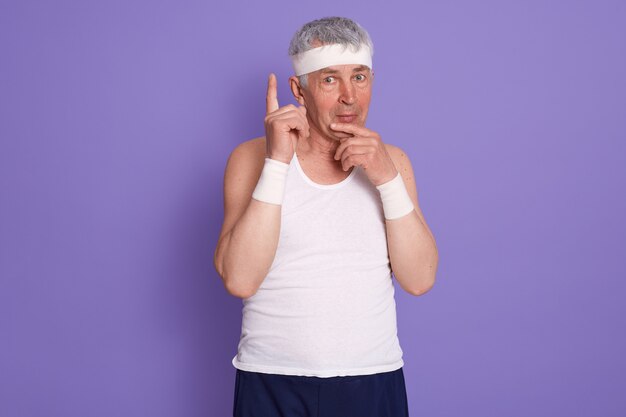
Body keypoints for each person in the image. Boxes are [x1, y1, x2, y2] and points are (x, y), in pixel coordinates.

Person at [214, 16, 438, 417]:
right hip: (271, 378)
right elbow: (240, 278)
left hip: (372, 377)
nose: (349, 97)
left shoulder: (395, 162)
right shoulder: (250, 159)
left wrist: (387, 178)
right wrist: (277, 163)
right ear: (299, 89)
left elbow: (420, 279)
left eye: (360, 77)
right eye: (330, 79)